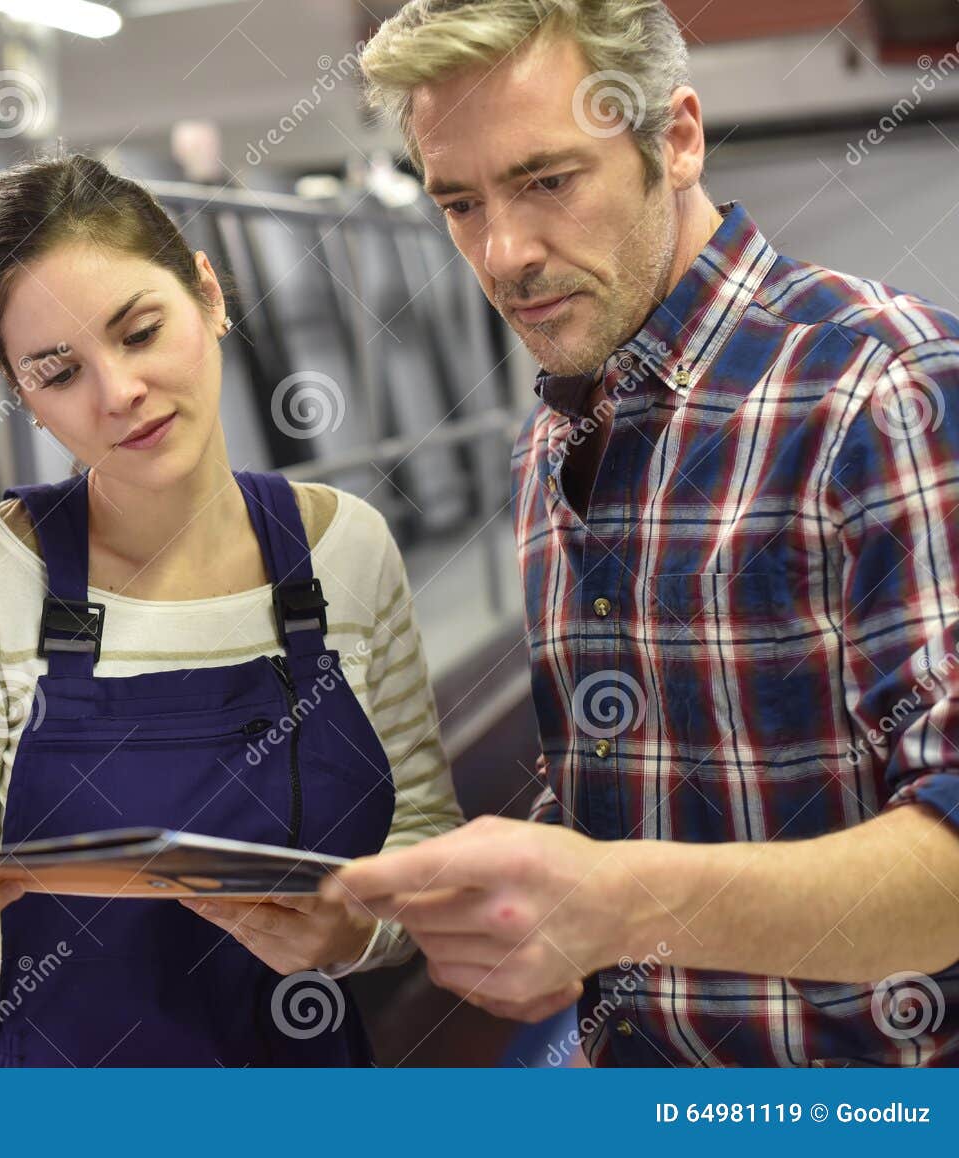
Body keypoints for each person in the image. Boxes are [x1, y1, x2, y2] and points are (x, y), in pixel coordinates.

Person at [326, 0, 959, 1066]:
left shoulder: (880, 389)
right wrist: (398, 912)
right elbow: (654, 786)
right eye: (459, 203)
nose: (504, 253)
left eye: (546, 180)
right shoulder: (555, 436)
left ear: (673, 139)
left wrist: (617, 905)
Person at [0, 153, 462, 1066]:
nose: (116, 393)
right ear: (24, 398)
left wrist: (354, 936)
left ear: (207, 292)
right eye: (58, 370)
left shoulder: (348, 554)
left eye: (139, 331)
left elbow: (424, 843)